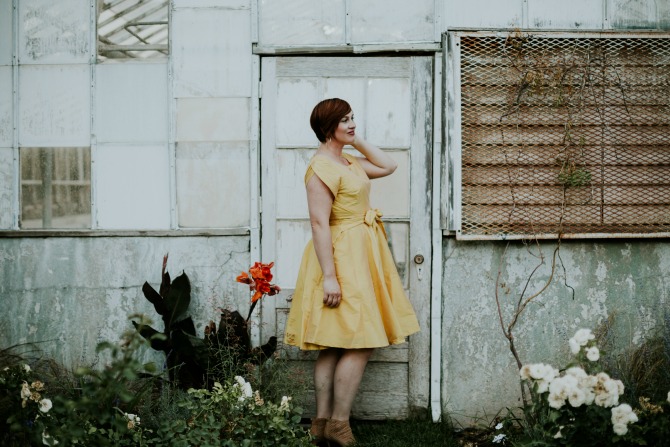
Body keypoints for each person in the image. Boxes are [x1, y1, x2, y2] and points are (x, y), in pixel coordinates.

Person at [283, 98, 420, 446]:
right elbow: (319, 223)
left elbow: (388, 165)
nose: (352, 124)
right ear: (328, 127)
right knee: (360, 340)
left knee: (335, 344)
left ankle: (322, 424)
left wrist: (354, 140)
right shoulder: (321, 167)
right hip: (341, 257)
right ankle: (338, 423)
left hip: (360, 253)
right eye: (345, 120)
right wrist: (330, 277)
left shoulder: (347, 161)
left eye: (352, 118)